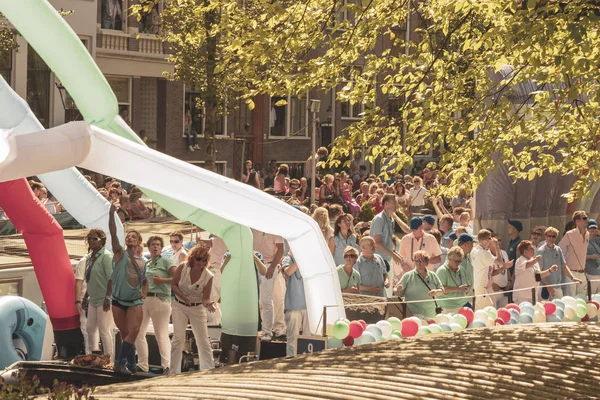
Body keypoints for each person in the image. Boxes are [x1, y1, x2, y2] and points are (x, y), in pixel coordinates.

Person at [106, 204, 148, 374]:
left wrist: (144, 291)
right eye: (128, 236)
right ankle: (131, 363)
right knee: (124, 334)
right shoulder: (120, 253)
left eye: (133, 237)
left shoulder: (143, 261)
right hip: (117, 300)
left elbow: (145, 281)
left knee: (134, 331)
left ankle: (119, 362)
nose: (129, 238)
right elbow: (113, 233)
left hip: (134, 301)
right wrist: (111, 215)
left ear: (138, 242)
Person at [170, 245, 216, 373]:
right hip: (179, 304)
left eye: (204, 260)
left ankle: (208, 369)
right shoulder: (183, 267)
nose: (201, 263)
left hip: (197, 307)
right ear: (192, 258)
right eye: (199, 259)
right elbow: (173, 285)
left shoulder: (208, 276)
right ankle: (173, 371)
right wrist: (183, 296)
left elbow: (205, 298)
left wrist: (209, 304)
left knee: (202, 339)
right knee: (178, 338)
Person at [135, 236, 176, 374]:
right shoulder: (146, 263)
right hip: (145, 300)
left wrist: (163, 280)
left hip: (160, 300)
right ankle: (142, 365)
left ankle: (167, 366)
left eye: (158, 244)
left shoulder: (165, 261)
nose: (155, 247)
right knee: (139, 333)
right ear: (148, 247)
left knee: (161, 334)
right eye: (152, 244)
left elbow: (178, 278)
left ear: (161, 247)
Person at [78, 228, 114, 359]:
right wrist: (85, 297)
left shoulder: (106, 256)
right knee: (90, 327)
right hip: (93, 299)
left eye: (95, 239)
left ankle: (108, 357)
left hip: (104, 298)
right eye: (89, 239)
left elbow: (111, 278)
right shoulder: (90, 257)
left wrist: (107, 297)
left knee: (104, 329)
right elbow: (90, 279)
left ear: (102, 241)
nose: (91, 242)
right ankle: (94, 354)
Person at [252, 229, 285, 341]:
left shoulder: (272, 227)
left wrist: (272, 267)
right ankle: (269, 329)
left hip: (270, 266)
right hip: (254, 265)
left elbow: (281, 249)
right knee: (263, 300)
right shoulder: (250, 226)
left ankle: (268, 332)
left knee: (267, 299)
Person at [471, 229, 513, 310]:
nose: (491, 241)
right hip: (481, 288)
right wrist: (496, 246)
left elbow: (492, 272)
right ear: (484, 240)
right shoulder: (482, 253)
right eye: (489, 239)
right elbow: (500, 261)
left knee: (490, 309)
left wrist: (504, 268)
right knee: (489, 310)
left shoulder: (475, 250)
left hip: (484, 287)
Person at [396, 250, 444, 319]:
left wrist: (436, 292)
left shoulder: (433, 275)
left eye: (422, 260)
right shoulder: (407, 276)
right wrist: (397, 289)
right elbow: (398, 292)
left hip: (430, 314)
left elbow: (442, 291)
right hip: (412, 314)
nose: (419, 263)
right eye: (417, 260)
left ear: (427, 262)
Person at [538, 227, 580, 300]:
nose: (551, 238)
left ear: (556, 237)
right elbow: (538, 273)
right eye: (549, 236)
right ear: (545, 236)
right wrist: (548, 287)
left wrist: (572, 277)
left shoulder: (558, 249)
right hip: (544, 288)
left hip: (557, 287)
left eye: (553, 236)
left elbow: (564, 266)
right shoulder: (540, 251)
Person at [281, 251, 309, 356]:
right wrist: (301, 258)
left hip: (309, 306)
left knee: (309, 337)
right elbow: (288, 272)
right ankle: (291, 361)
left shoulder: (310, 258)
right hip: (293, 306)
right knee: (292, 338)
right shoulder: (288, 259)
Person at [559, 211, 590, 296]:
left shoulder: (588, 234)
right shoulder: (569, 234)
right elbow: (558, 249)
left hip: (582, 273)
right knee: (571, 299)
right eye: (584, 218)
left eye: (587, 218)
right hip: (571, 274)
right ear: (577, 221)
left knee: (583, 299)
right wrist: (563, 265)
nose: (587, 220)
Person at [371, 194, 405, 273]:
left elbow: (387, 240)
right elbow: (376, 242)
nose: (397, 204)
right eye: (394, 202)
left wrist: (395, 252)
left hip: (387, 259)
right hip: (378, 260)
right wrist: (393, 255)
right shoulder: (379, 219)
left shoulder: (391, 219)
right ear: (386, 204)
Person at [436, 246, 471, 313]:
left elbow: (464, 283)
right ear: (449, 259)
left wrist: (466, 287)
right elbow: (441, 289)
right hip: (447, 307)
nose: (458, 263)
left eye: (460, 261)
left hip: (462, 304)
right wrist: (458, 289)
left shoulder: (462, 269)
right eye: (456, 261)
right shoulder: (442, 271)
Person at [490, 233, 510, 308]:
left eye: (499, 240)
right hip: (493, 290)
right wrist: (491, 284)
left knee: (504, 313)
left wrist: (509, 281)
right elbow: (485, 272)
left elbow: (507, 269)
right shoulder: (487, 254)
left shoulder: (504, 253)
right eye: (495, 241)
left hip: (503, 290)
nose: (498, 242)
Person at [586, 220, 600, 294]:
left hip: (598, 273)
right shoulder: (584, 240)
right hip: (591, 274)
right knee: (592, 296)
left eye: (594, 228)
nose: (592, 230)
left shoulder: (597, 240)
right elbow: (580, 256)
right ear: (587, 229)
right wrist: (590, 257)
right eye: (590, 228)